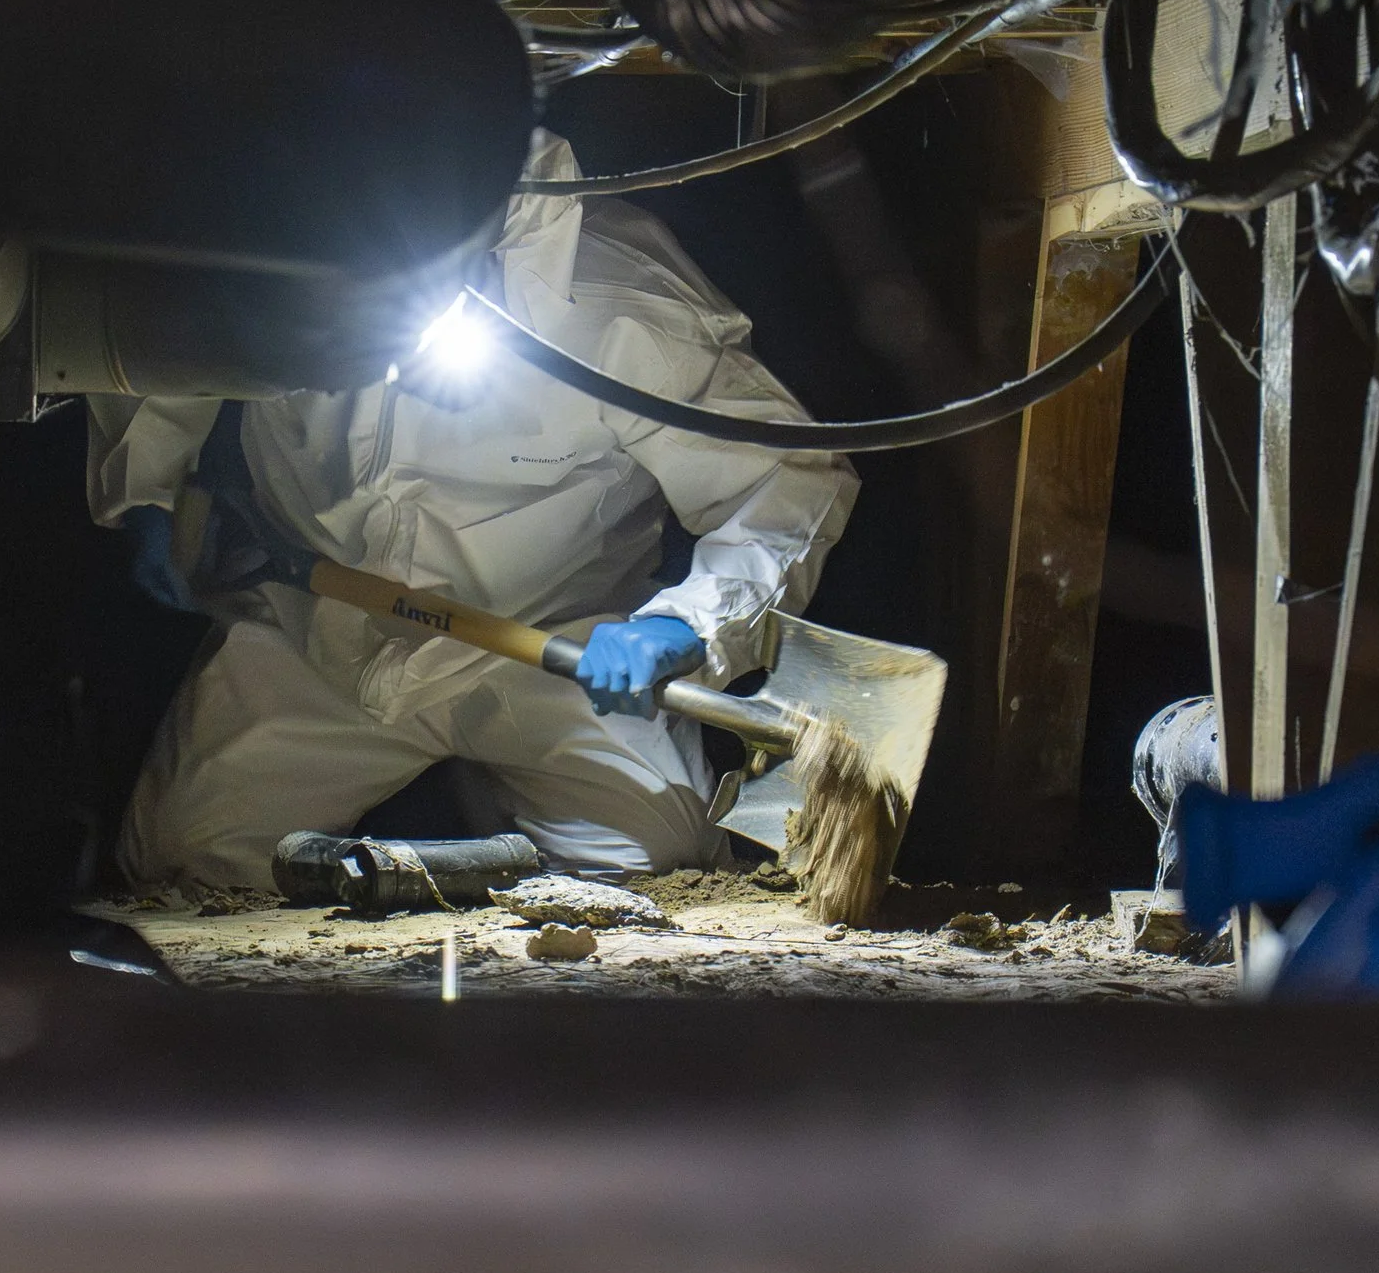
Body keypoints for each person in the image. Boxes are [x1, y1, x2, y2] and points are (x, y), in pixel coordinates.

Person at [87, 132, 857, 890]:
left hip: (551, 642)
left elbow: (784, 484)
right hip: (317, 623)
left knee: (652, 869)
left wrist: (684, 625)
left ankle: (499, 811)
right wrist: (143, 489)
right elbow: (161, 347)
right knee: (182, 868)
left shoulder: (619, 307)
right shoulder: (266, 247)